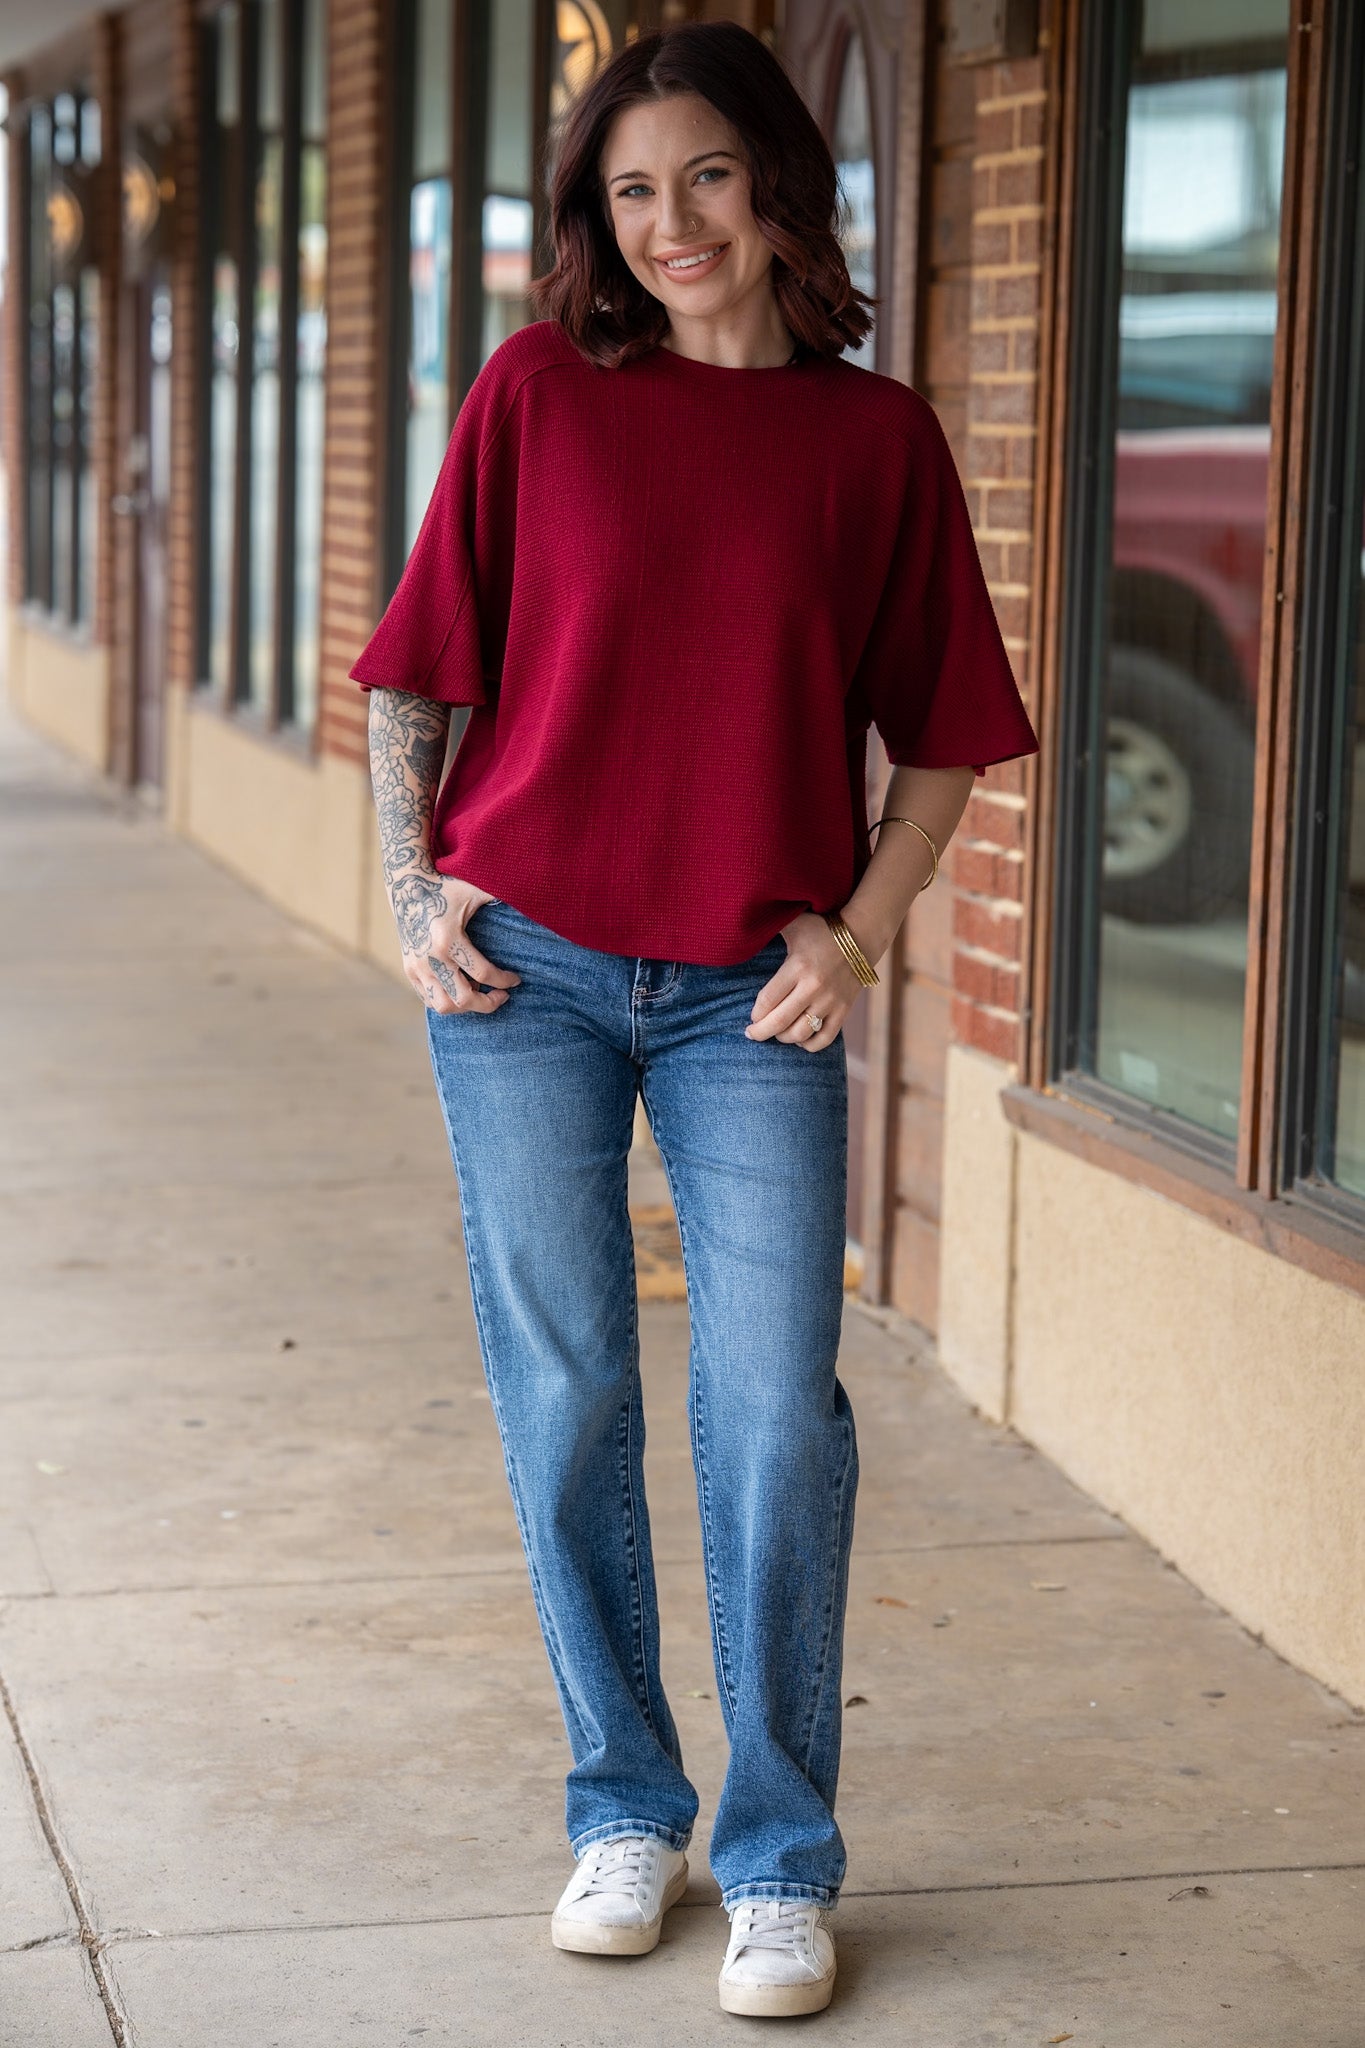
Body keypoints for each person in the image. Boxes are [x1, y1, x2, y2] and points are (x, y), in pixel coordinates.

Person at [351, 19, 1039, 2020]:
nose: (669, 226)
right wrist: (410, 893)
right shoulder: (535, 395)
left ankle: (778, 1853)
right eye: (629, 191)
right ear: (594, 213)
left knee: (773, 1418)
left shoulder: (869, 440)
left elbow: (947, 745)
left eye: (705, 180)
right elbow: (417, 676)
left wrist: (861, 931)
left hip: (754, 993)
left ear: (775, 187)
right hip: (525, 972)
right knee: (562, 1395)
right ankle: (622, 1804)